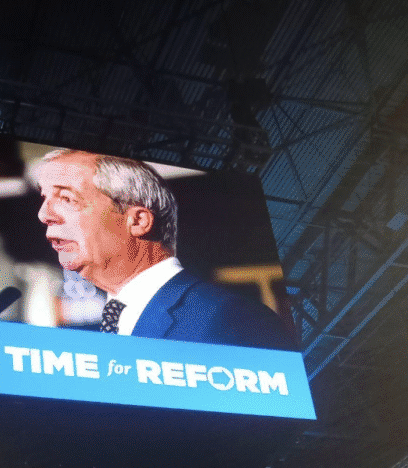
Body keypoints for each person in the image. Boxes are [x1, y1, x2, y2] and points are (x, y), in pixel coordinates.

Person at [35, 149, 294, 350]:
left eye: (66, 198)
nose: (44, 214)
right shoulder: (109, 323)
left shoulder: (229, 319)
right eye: (45, 198)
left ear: (138, 221)